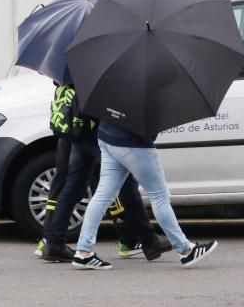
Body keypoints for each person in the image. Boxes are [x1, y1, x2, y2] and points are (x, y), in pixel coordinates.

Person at [39, 86, 172, 263]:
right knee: (126, 185)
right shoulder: (94, 64)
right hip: (96, 129)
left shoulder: (73, 64)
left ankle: (54, 243)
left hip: (80, 128)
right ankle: (149, 241)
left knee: (73, 187)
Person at [71, 118, 218, 270]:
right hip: (133, 142)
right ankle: (186, 250)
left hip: (107, 135)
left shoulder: (117, 93)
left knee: (103, 196)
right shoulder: (149, 93)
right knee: (159, 197)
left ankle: (83, 252)